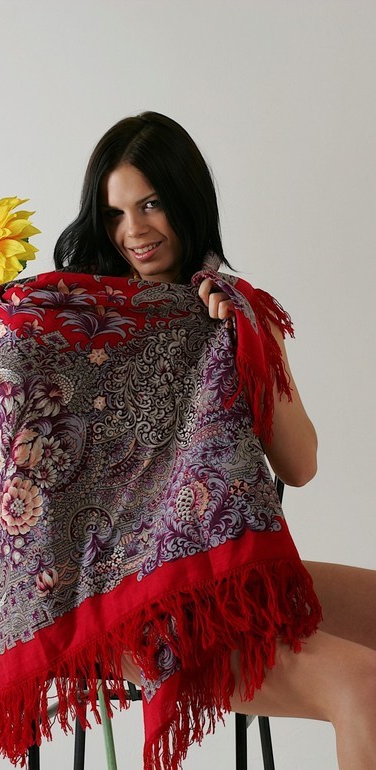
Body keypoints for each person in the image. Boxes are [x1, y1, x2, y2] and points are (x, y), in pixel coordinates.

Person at [53, 111, 376, 769]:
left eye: (151, 204)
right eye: (115, 213)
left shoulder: (238, 310)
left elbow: (300, 464)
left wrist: (248, 346)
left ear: (187, 199)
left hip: (227, 580)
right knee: (362, 686)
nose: (133, 230)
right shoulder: (88, 328)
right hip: (129, 603)